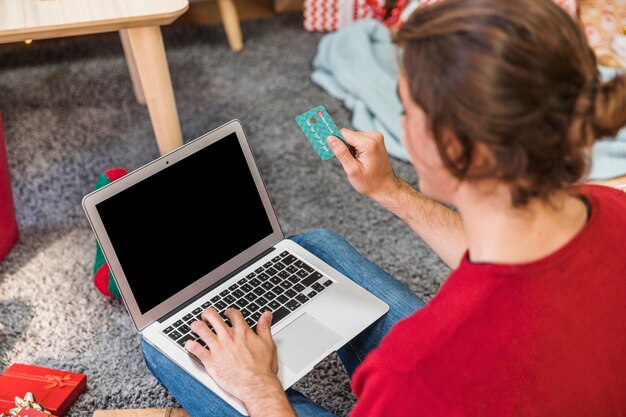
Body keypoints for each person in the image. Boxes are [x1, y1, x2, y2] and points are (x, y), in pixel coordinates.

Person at [141, 0, 626, 415]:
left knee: (172, 351)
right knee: (313, 248)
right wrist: (391, 191)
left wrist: (259, 386)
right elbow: (517, 272)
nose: (400, 121)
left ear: (451, 146)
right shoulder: (608, 206)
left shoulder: (408, 375)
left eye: (406, 108)